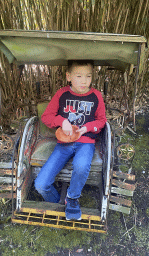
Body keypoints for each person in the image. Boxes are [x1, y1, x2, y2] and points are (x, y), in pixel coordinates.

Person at [34, 60, 107, 220]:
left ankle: (72, 198)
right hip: (64, 143)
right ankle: (58, 203)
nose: (84, 81)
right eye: (79, 76)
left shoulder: (96, 96)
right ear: (68, 77)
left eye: (88, 76)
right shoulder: (62, 94)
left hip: (86, 142)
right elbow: (46, 117)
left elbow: (101, 121)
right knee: (40, 185)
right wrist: (63, 121)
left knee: (81, 166)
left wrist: (86, 128)